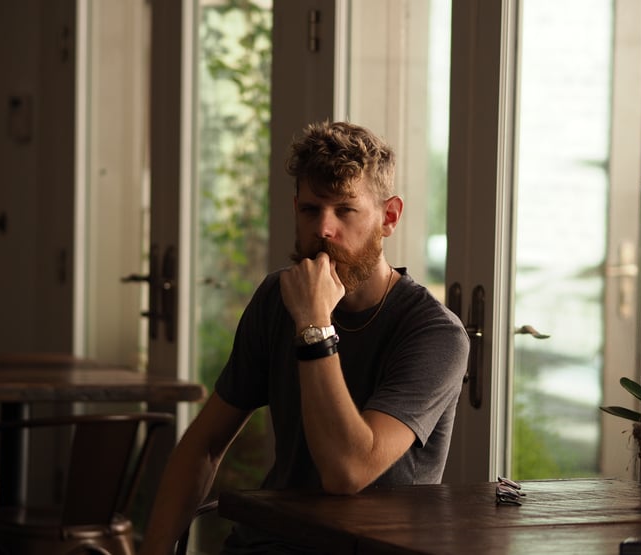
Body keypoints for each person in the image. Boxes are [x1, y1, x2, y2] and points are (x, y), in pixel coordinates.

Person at [139, 121, 470, 554]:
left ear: (388, 218)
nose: (323, 229)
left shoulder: (434, 333)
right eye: (311, 210)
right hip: (268, 542)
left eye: (345, 210)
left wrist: (314, 323)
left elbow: (347, 471)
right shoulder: (276, 299)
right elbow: (203, 446)